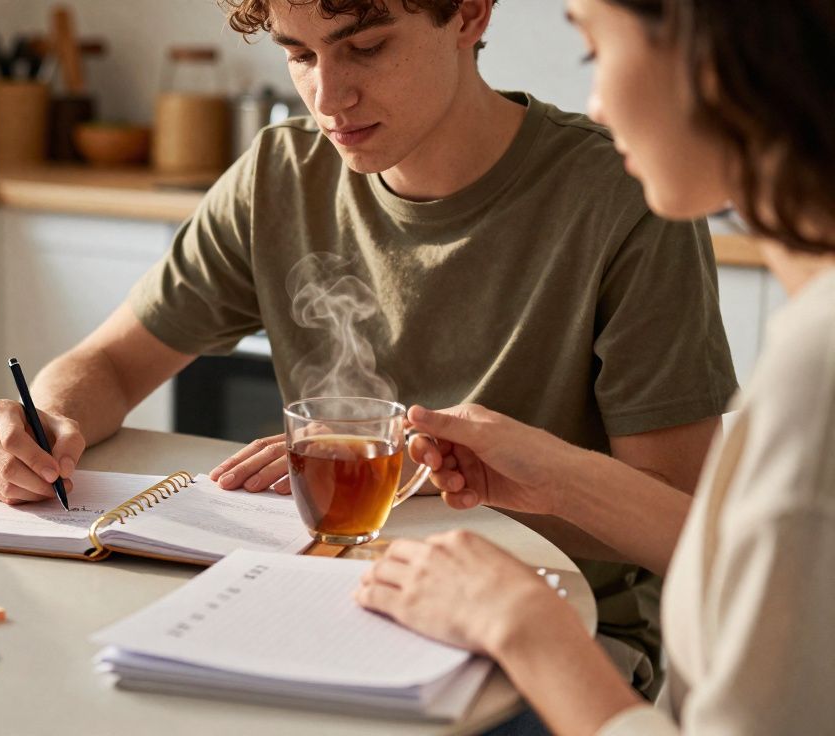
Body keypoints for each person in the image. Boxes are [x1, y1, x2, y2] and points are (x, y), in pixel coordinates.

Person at [0, 0, 739, 695]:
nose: (328, 96)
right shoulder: (281, 174)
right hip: (321, 604)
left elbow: (682, 527)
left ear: (470, 14)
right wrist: (47, 420)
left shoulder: (623, 195)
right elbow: (107, 364)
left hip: (556, 635)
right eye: (299, 55)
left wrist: (436, 473)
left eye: (364, 47)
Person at [354, 0, 835, 731]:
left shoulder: (818, 373)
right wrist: (557, 477)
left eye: (593, 51)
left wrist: (519, 620)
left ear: (709, 47)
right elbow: (766, 576)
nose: (598, 106)